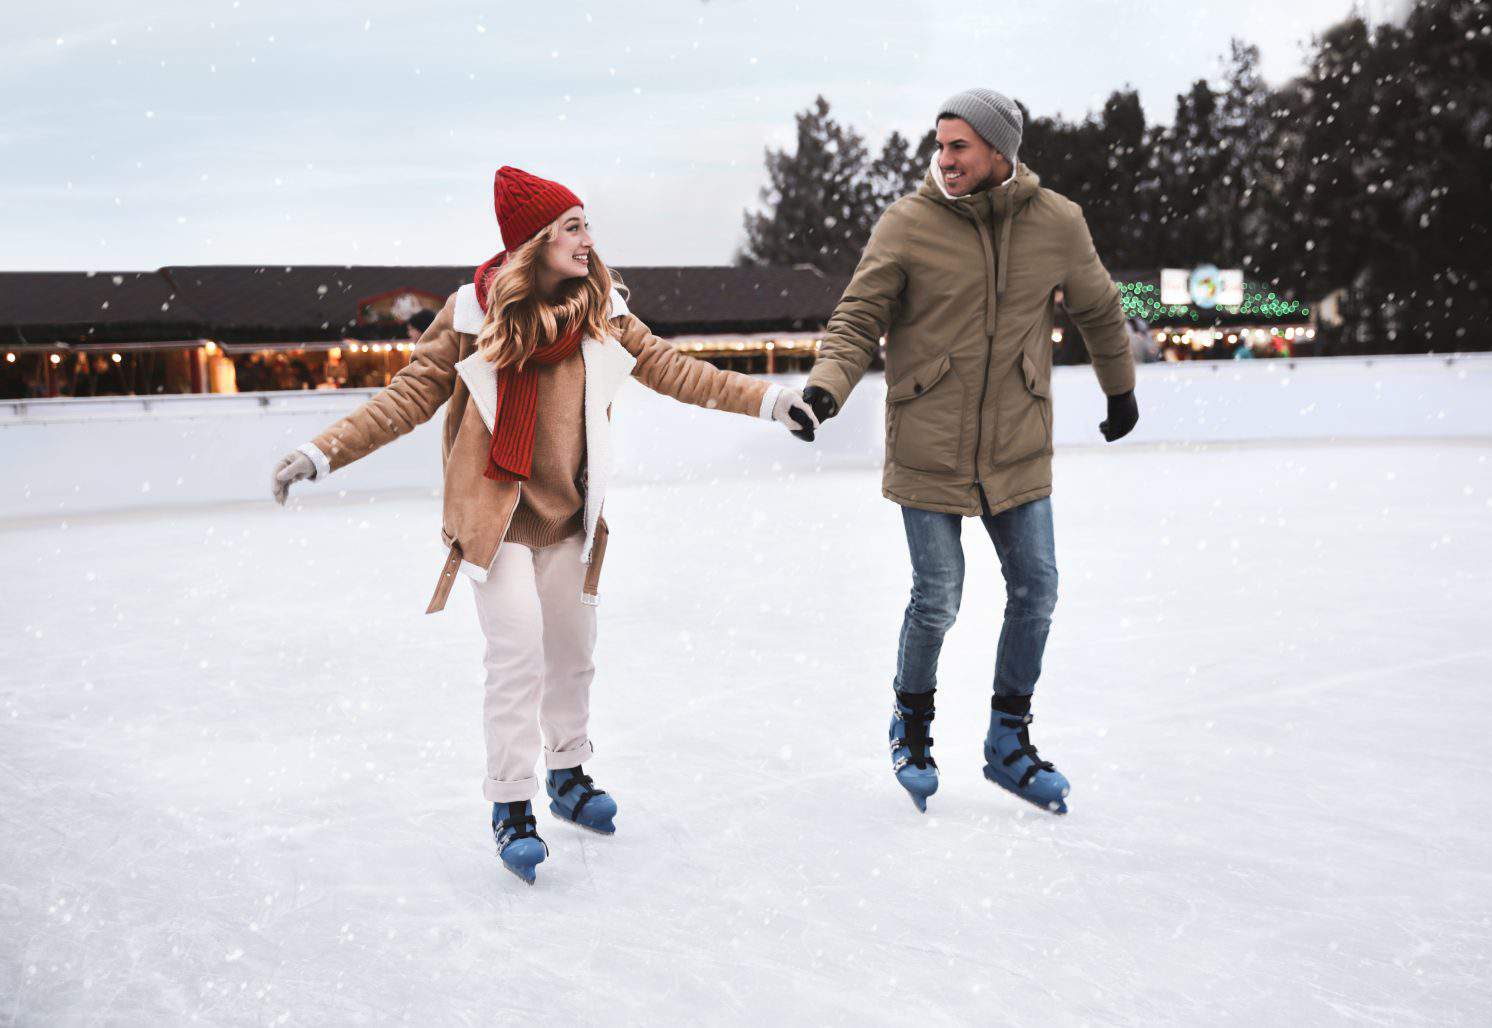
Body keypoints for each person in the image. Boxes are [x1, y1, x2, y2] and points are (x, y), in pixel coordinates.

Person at [270, 167, 817, 884]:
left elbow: (677, 370)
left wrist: (772, 402)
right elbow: (407, 397)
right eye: (572, 227)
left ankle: (568, 773)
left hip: (567, 516)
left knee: (572, 652)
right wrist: (322, 452)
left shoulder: (604, 315)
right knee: (518, 655)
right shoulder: (470, 317)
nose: (588, 240)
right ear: (535, 242)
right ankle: (511, 803)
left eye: (587, 225)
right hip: (493, 519)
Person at [796, 89, 1138, 816]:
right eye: (940, 145)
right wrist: (828, 387)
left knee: (1037, 588)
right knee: (938, 597)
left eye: (959, 146)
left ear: (999, 151)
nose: (944, 159)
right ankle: (912, 725)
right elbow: (858, 316)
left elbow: (1100, 310)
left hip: (1017, 444)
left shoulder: (1057, 222)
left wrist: (1120, 390)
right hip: (929, 441)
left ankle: (1007, 743)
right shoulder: (908, 223)